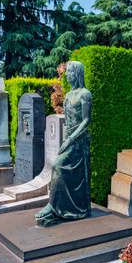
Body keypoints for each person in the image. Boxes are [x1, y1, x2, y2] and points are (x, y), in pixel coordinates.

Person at [35, 61, 92, 227]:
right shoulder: (68, 95)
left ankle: (53, 207)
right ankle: (64, 207)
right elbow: (67, 120)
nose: (66, 75)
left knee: (58, 166)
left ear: (76, 73)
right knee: (64, 171)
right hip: (68, 138)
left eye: (69, 72)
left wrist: (71, 139)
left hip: (79, 141)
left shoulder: (85, 94)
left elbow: (86, 120)